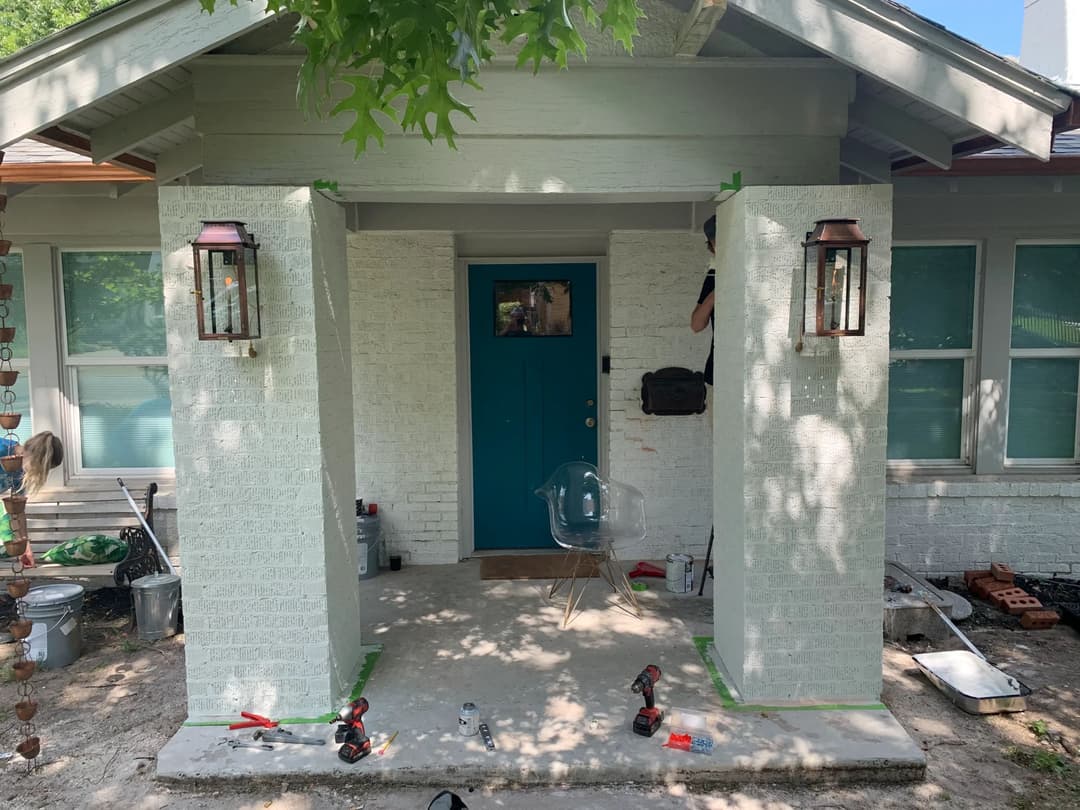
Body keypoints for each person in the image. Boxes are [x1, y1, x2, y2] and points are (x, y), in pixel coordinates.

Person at [0, 430, 64, 567]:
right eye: (42, 468)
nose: (39, 473)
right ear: (36, 458)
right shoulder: (2, 449)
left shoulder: (20, 471)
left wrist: (25, 547)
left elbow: (17, 510)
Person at [690, 215, 717, 386]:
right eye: (715, 243)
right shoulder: (714, 275)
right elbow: (696, 325)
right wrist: (718, 290)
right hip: (718, 367)